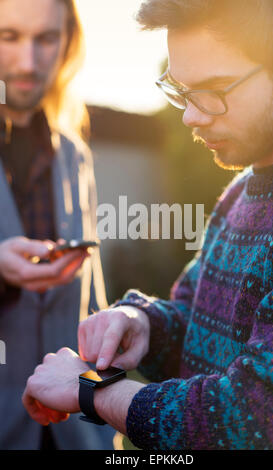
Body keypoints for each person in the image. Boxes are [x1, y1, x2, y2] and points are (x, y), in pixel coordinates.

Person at [22, 0, 273, 450]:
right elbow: (195, 321)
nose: (190, 116)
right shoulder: (241, 192)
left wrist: (92, 392)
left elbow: (256, 417)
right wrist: (143, 324)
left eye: (214, 89)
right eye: (180, 89)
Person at [0, 0, 115, 450]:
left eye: (46, 39)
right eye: (8, 36)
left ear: (68, 43)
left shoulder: (74, 155)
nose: (28, 62)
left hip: (78, 434)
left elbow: (92, 301)